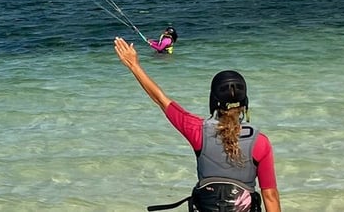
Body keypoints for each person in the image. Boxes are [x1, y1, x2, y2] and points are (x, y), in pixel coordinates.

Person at [113, 37, 281, 212]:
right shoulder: (260, 142)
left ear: (213, 101)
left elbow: (161, 100)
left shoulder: (197, 130)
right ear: (244, 104)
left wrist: (134, 65)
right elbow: (271, 197)